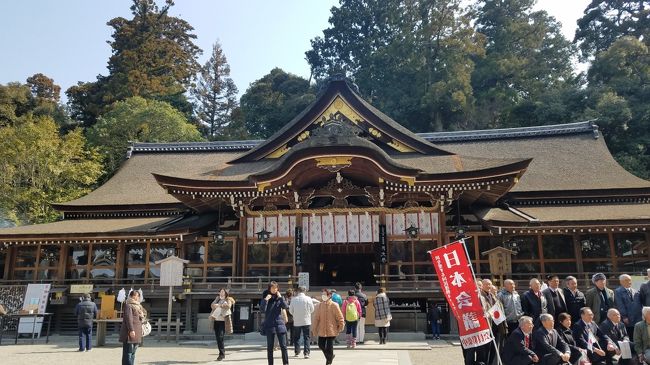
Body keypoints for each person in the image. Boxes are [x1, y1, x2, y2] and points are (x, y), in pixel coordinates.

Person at [260, 281, 290, 365]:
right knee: (270, 347)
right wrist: (266, 300)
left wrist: (280, 298)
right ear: (269, 289)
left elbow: (285, 307)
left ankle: (286, 363)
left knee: (283, 346)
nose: (274, 289)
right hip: (269, 324)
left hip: (279, 324)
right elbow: (262, 310)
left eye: (276, 288)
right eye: (272, 288)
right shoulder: (266, 297)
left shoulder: (279, 298)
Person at [312, 288, 344, 365]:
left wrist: (340, 327)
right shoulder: (319, 305)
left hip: (331, 329)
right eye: (322, 294)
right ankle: (330, 357)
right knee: (320, 345)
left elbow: (340, 318)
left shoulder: (334, 305)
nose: (323, 296)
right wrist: (314, 329)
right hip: (322, 329)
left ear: (329, 295)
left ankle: (328, 362)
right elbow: (316, 318)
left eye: (325, 294)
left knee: (330, 347)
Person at [480, 279, 507, 365]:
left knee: (494, 349)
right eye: (487, 284)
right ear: (482, 285)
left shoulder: (492, 296)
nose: (489, 286)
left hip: (496, 326)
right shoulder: (480, 296)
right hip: (486, 327)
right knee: (485, 350)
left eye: (490, 284)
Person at [120, 290, 146, 365]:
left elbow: (143, 315)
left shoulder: (139, 306)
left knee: (133, 353)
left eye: (138, 296)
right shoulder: (129, 305)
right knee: (128, 352)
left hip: (137, 332)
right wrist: (131, 330)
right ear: (132, 296)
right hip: (130, 332)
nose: (138, 297)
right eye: (136, 296)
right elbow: (128, 318)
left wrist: (142, 314)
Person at [289, 286, 314, 359]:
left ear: (298, 291)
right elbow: (312, 309)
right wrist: (308, 313)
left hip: (297, 321)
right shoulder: (308, 299)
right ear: (305, 291)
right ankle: (306, 353)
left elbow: (290, 311)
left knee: (297, 337)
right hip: (306, 320)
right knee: (306, 337)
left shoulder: (294, 299)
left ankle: (297, 351)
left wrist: (295, 314)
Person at [211, 288, 235, 361]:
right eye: (220, 291)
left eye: (222, 292)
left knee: (220, 337)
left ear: (225, 293)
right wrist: (218, 304)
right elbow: (212, 305)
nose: (221, 293)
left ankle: (221, 354)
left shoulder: (228, 299)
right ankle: (221, 352)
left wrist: (219, 305)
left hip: (223, 321)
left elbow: (228, 306)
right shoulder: (217, 299)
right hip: (216, 320)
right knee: (218, 338)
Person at [615, 274, 642, 340]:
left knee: (638, 336)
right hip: (628, 318)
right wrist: (624, 316)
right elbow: (620, 304)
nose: (629, 282)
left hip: (638, 318)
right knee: (630, 336)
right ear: (621, 282)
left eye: (630, 280)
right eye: (626, 280)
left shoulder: (635, 291)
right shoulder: (618, 291)